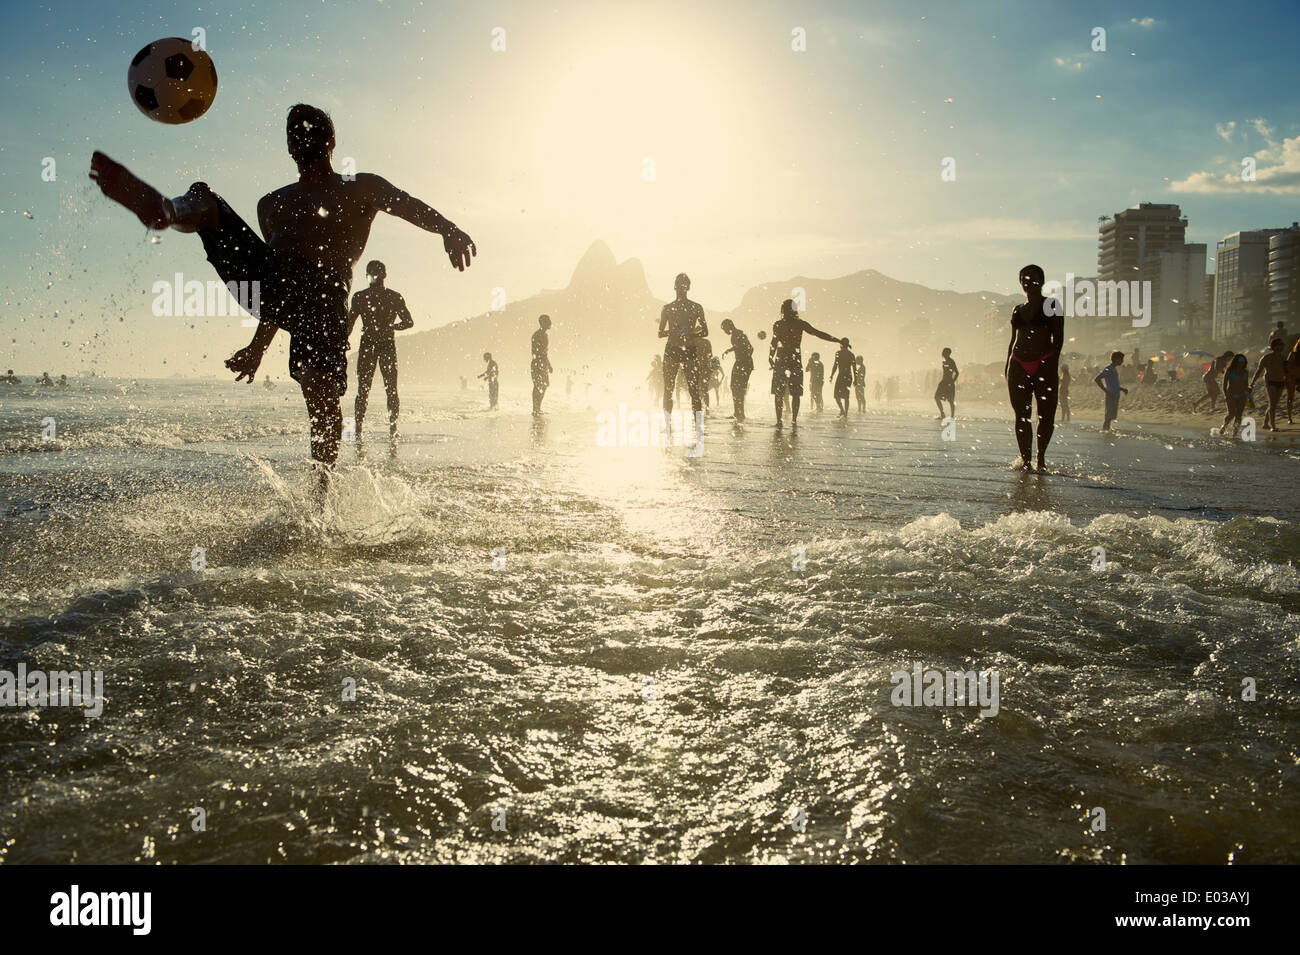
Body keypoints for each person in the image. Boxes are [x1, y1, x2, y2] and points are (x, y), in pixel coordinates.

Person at [89, 104, 475, 493]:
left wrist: (449, 229)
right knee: (205, 199)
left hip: (325, 300)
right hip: (269, 283)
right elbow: (278, 286)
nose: (301, 137)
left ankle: (320, 502)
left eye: (310, 131)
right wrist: (259, 346)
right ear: (289, 146)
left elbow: (406, 204)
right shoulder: (271, 204)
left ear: (331, 141)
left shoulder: (361, 186)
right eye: (294, 132)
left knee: (321, 398)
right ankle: (168, 211)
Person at [347, 259, 412, 455]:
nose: (372, 276)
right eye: (369, 273)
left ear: (384, 275)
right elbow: (349, 324)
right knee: (363, 389)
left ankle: (393, 428)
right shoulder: (359, 298)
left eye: (375, 273)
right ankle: (358, 428)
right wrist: (342, 341)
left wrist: (391, 327)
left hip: (386, 345)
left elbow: (409, 321)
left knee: (390, 388)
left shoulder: (394, 297)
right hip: (368, 345)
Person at [1006, 264, 1064, 470]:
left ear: (1042, 281)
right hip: (1018, 364)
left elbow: (1058, 341)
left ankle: (1040, 458)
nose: (1027, 282)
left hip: (1044, 363)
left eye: (1031, 278)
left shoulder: (1052, 305)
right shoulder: (1018, 309)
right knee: (1021, 416)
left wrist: (1050, 365)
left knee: (1046, 416)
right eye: (1023, 278)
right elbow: (1013, 341)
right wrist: (1007, 368)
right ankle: (1025, 460)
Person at [769, 298, 839, 430]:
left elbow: (774, 342)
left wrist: (771, 356)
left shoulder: (780, 324)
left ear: (783, 310)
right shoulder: (798, 324)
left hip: (782, 361)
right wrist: (837, 340)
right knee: (794, 394)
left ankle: (781, 421)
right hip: (793, 362)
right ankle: (792, 421)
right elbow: (817, 333)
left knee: (780, 393)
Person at [658, 273, 708, 435]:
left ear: (687, 287)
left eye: (683, 285)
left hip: (686, 350)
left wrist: (690, 333)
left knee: (692, 389)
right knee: (671, 389)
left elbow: (705, 331)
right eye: (679, 285)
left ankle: (697, 427)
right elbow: (660, 333)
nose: (681, 287)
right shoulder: (668, 308)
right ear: (675, 286)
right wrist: (676, 332)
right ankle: (668, 425)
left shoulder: (695, 307)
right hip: (674, 349)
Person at [719, 319, 754, 422]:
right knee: (739, 388)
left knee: (736, 388)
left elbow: (747, 348)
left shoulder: (736, 335)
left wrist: (743, 359)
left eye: (724, 329)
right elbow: (747, 348)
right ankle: (739, 413)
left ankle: (739, 414)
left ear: (728, 327)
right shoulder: (739, 333)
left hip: (742, 363)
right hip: (744, 363)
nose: (724, 331)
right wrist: (729, 351)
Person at [1249, 337, 1287, 432]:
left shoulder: (1283, 357)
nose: (1280, 347)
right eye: (1278, 345)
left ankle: (1265, 423)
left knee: (1274, 404)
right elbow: (1259, 371)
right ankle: (1273, 426)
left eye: (1281, 345)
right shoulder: (1267, 357)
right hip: (1270, 382)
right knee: (1273, 403)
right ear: (1273, 346)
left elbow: (1287, 371)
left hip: (1280, 382)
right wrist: (1252, 383)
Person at [1094, 350, 1127, 432]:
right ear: (1116, 359)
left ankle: (1106, 432)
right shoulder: (1109, 369)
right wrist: (1106, 391)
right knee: (1108, 417)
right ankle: (1105, 432)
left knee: (1110, 417)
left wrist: (1122, 389)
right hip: (1111, 396)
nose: (1122, 361)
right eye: (1121, 359)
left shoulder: (1113, 369)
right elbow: (1097, 379)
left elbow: (1113, 384)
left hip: (1114, 395)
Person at [1220, 354, 1250, 437]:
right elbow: (1224, 384)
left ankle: (1234, 433)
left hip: (1242, 395)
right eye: (1240, 361)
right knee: (1232, 413)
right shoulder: (1229, 371)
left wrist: (1248, 389)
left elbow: (1246, 384)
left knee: (1239, 415)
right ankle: (1224, 426)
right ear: (1236, 362)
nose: (1241, 363)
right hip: (1231, 395)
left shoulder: (1245, 372)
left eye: (1243, 362)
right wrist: (1226, 395)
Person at [530, 314, 553, 416]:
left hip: (542, 363)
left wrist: (548, 364)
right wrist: (539, 364)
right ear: (543, 322)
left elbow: (544, 352)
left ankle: (538, 408)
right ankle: (535, 409)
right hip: (537, 363)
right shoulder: (537, 335)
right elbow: (535, 352)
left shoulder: (545, 335)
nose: (550, 323)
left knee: (544, 385)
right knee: (538, 386)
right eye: (548, 321)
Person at [830, 338, 855, 418]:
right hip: (848, 376)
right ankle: (844, 413)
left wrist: (832, 375)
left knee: (837, 396)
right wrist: (856, 379)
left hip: (841, 376)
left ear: (841, 344)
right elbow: (854, 368)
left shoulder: (839, 353)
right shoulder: (851, 354)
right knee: (846, 396)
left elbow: (835, 365)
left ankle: (843, 411)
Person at [934, 347, 958, 419]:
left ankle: (952, 416)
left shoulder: (951, 361)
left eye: (944, 352)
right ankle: (942, 414)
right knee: (936, 397)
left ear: (948, 353)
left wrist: (952, 381)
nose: (942, 354)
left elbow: (957, 373)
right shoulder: (944, 361)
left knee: (950, 400)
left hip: (949, 383)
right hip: (943, 382)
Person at [1285, 340, 1300, 425]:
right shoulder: (1293, 354)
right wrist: (1288, 377)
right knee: (1290, 397)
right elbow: (1287, 366)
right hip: (1292, 378)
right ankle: (1289, 417)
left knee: (1290, 398)